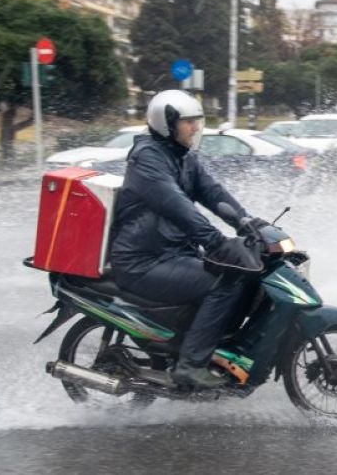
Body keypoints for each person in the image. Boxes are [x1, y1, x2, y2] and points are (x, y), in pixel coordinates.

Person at [109, 90, 257, 389]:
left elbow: (213, 193)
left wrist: (248, 223)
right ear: (167, 124)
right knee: (224, 282)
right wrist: (215, 241)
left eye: (197, 121)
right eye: (188, 122)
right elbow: (176, 205)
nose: (195, 128)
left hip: (172, 253)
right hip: (142, 261)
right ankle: (190, 366)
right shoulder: (147, 158)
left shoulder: (184, 156)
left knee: (248, 274)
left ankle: (212, 349)